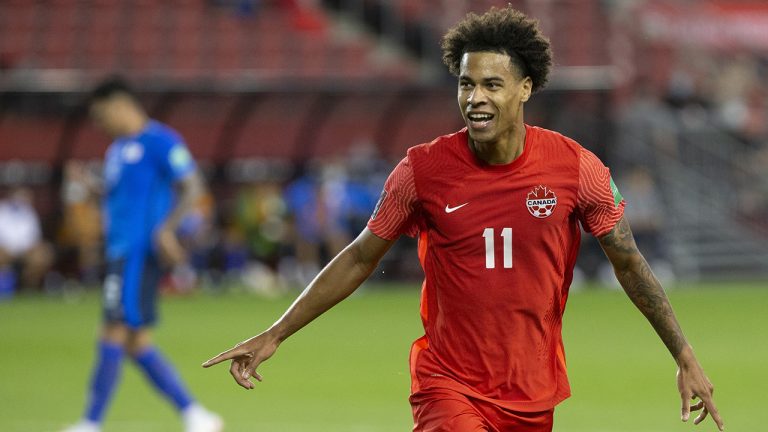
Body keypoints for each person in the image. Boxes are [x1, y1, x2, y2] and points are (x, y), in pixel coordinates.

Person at [203, 7, 723, 432]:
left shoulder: (576, 169)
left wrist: (683, 352)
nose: (475, 98)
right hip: (446, 384)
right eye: (465, 84)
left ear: (525, 89)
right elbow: (361, 255)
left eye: (492, 85)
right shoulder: (422, 171)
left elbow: (629, 263)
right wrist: (276, 332)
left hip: (532, 389)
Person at [62, 78, 223, 432]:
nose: (98, 125)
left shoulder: (160, 141)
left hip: (136, 253)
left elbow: (192, 185)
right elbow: (118, 197)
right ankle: (196, 415)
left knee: (112, 330)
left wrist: (167, 229)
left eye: (100, 116)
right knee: (135, 342)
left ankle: (90, 423)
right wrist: (91, 188)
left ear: (121, 105)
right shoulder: (117, 149)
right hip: (120, 250)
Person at [0, 186, 54, 296]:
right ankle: (5, 288)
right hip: (5, 249)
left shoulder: (29, 211)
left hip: (26, 250)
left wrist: (27, 248)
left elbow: (35, 236)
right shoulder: (2, 210)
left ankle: (28, 288)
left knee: (41, 255)